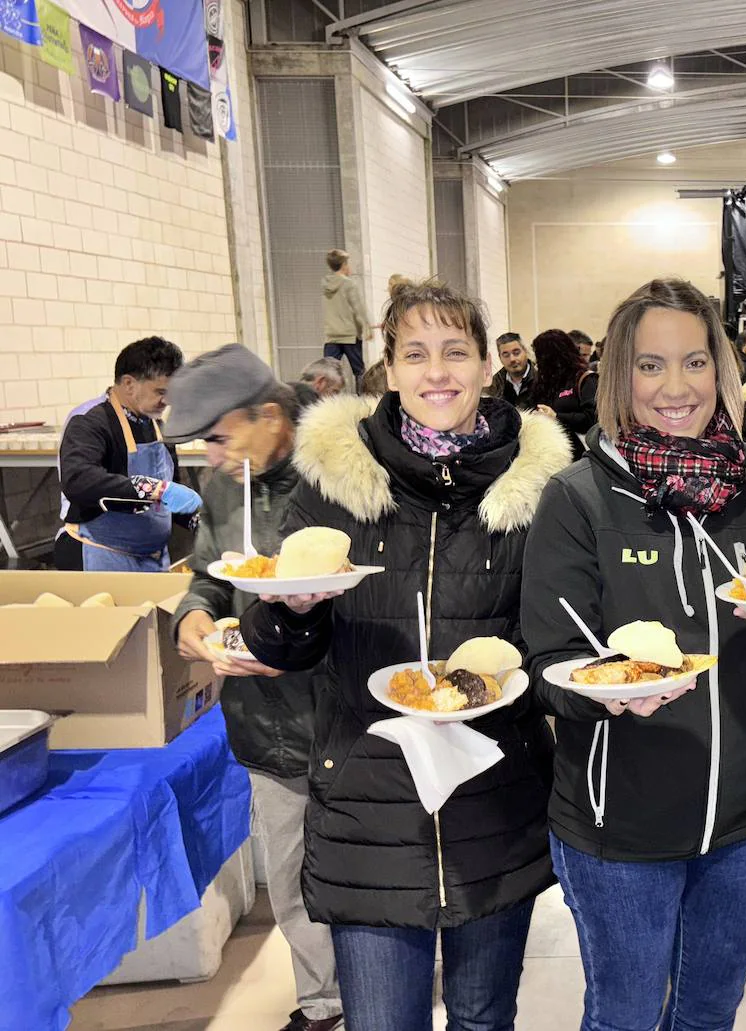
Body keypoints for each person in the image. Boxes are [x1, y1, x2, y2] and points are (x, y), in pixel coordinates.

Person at [239, 280, 574, 1031]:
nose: (437, 372)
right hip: (368, 806)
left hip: (496, 804)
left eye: (456, 351)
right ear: (388, 369)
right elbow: (279, 643)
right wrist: (289, 612)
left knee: (484, 1020)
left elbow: (558, 638)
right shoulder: (334, 483)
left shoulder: (539, 490)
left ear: (489, 365)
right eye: (415, 353)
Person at [522, 277, 746, 1031]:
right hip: (617, 823)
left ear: (722, 367)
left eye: (695, 361)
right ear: (619, 375)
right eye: (650, 365)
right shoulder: (578, 498)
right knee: (624, 1015)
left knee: (710, 1011)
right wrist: (599, 691)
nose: (675, 386)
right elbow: (548, 659)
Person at [166, 345, 343, 1031]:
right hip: (264, 720)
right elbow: (211, 572)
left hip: (345, 714)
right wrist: (196, 616)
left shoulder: (338, 474)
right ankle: (326, 1002)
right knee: (292, 869)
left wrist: (300, 646)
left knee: (377, 867)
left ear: (270, 416)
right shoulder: (221, 488)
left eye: (217, 435)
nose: (207, 454)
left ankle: (392, 987)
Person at [56, 336, 199, 571]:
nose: (168, 400)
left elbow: (169, 496)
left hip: (150, 557)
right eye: (161, 391)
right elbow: (78, 480)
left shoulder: (156, 425)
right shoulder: (89, 421)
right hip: (101, 554)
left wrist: (197, 519)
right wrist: (156, 489)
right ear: (129, 384)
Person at [528, 328, 597, 459]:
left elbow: (593, 419)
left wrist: (557, 416)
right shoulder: (541, 384)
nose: (536, 361)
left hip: (581, 457)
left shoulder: (585, 379)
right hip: (550, 455)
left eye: (539, 355)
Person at [321, 248, 371, 380]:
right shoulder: (349, 284)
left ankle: (328, 400)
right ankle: (363, 398)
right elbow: (358, 308)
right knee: (359, 371)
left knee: (328, 373)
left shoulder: (325, 284)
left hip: (331, 335)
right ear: (343, 265)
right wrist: (366, 327)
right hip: (349, 335)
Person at [487, 331, 538, 410]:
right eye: (506, 355)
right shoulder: (493, 386)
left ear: (525, 351)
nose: (512, 359)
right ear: (500, 357)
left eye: (516, 353)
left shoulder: (542, 378)